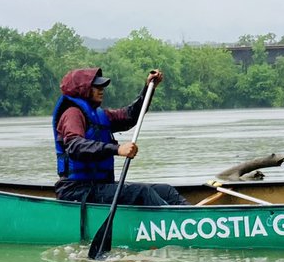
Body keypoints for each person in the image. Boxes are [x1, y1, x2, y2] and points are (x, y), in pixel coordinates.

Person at [53, 67, 187, 207]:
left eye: (102, 86)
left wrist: (148, 88)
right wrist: (117, 149)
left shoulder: (100, 115)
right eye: (96, 86)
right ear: (83, 89)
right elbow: (76, 146)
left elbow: (130, 116)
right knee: (142, 192)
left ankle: (192, 216)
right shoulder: (72, 114)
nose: (101, 89)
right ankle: (174, 220)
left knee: (166, 191)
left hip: (99, 186)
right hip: (76, 190)